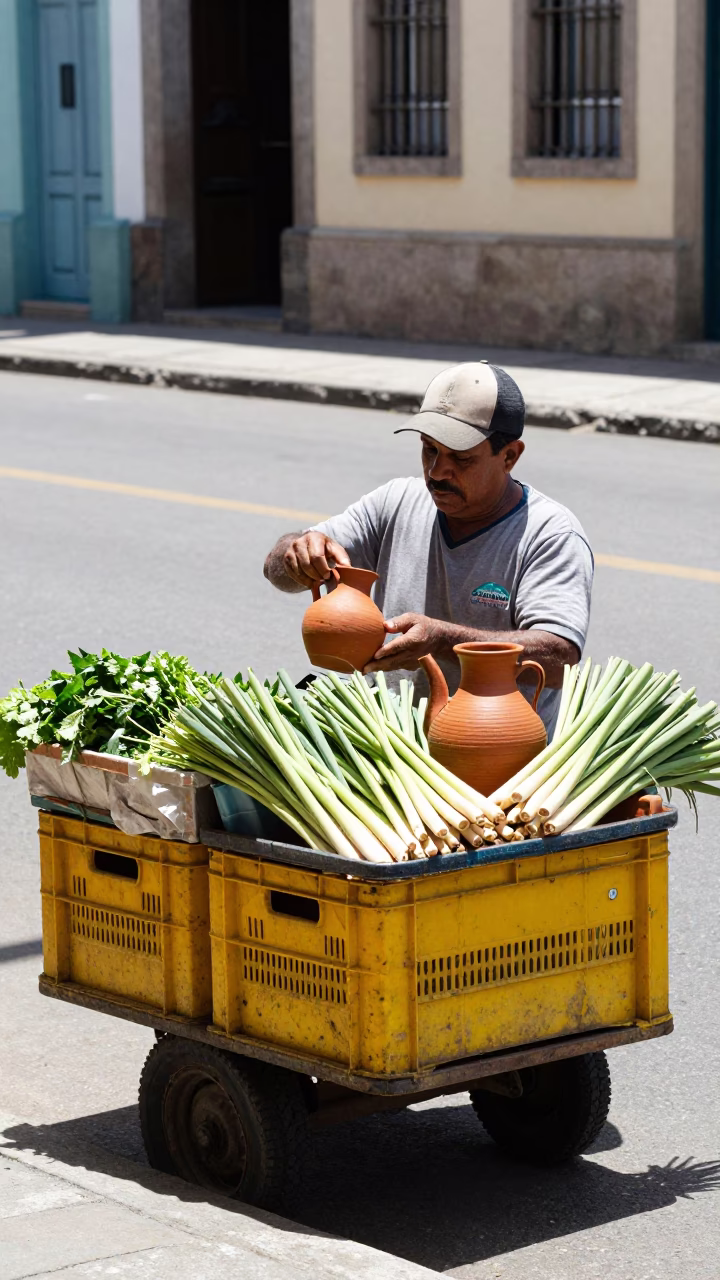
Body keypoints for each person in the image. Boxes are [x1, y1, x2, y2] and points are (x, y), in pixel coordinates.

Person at [264, 361, 593, 730]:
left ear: (510, 456)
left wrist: (442, 640)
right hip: (388, 741)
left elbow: (559, 655)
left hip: (496, 752)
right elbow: (277, 572)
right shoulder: (396, 501)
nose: (437, 472)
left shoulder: (549, 534)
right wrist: (295, 553)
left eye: (461, 458)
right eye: (429, 449)